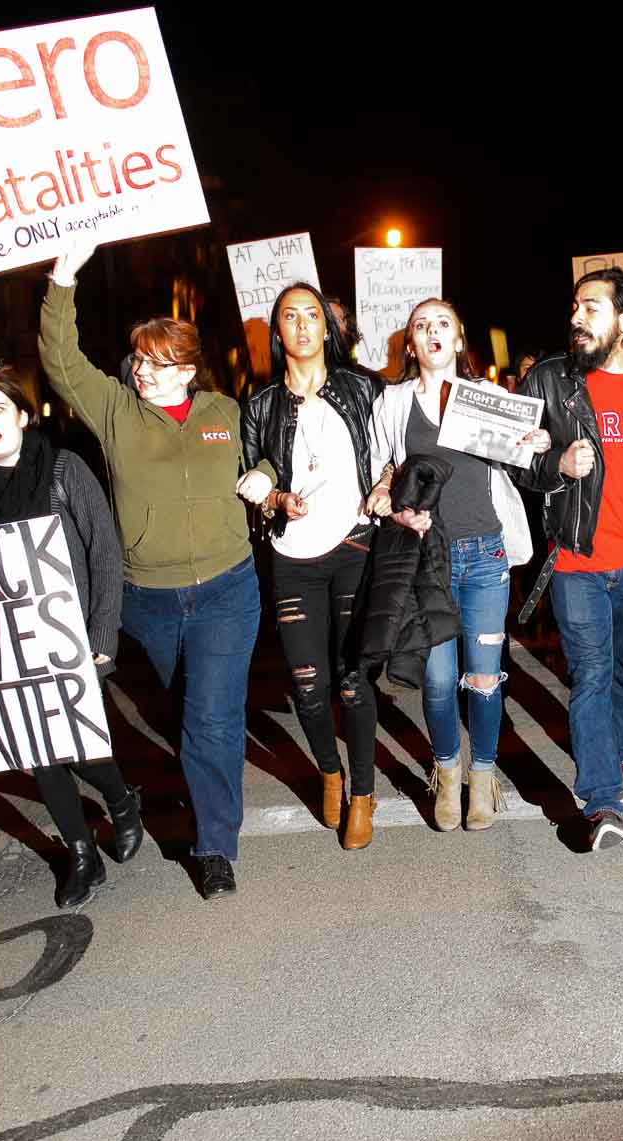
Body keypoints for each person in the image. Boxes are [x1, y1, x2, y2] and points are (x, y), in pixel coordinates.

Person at [43, 235, 255, 902]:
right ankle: (207, 805)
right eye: (138, 360)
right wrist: (62, 279)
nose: (143, 371)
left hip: (227, 585)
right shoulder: (114, 412)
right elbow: (59, 357)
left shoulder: (226, 413)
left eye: (158, 364)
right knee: (185, 716)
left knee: (211, 721)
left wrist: (268, 476)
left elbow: (272, 455)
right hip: (151, 599)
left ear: (188, 369)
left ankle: (215, 846)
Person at [0, 372, 137, 908]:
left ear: (22, 416)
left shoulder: (65, 468)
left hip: (72, 632)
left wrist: (102, 630)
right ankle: (82, 854)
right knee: (38, 748)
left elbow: (105, 551)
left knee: (81, 743)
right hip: (8, 645)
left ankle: (119, 796)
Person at [519, 268, 623, 851]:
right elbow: (516, 461)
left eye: (591, 307)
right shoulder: (547, 381)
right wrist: (555, 466)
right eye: (574, 307)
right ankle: (601, 801)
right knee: (590, 675)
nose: (576, 318)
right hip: (577, 559)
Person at [365, 298, 544, 832]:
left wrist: (536, 441)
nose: (432, 332)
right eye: (421, 326)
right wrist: (383, 494)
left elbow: (525, 457)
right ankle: (446, 773)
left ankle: (483, 777)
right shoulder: (393, 403)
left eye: (442, 323)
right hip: (429, 562)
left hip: (486, 554)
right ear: (411, 345)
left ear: (459, 339)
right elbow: (383, 468)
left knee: (483, 678)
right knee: (440, 682)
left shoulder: (487, 398)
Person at [236, 283, 387, 850]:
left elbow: (393, 451)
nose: (301, 325)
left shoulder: (365, 388)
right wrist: (277, 500)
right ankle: (330, 771)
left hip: (353, 543)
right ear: (277, 334)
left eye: (311, 316)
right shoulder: (260, 404)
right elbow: (254, 480)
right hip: (292, 553)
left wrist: (385, 483)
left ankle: (365, 794)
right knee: (306, 686)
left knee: (352, 682)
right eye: (288, 318)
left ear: (329, 328)